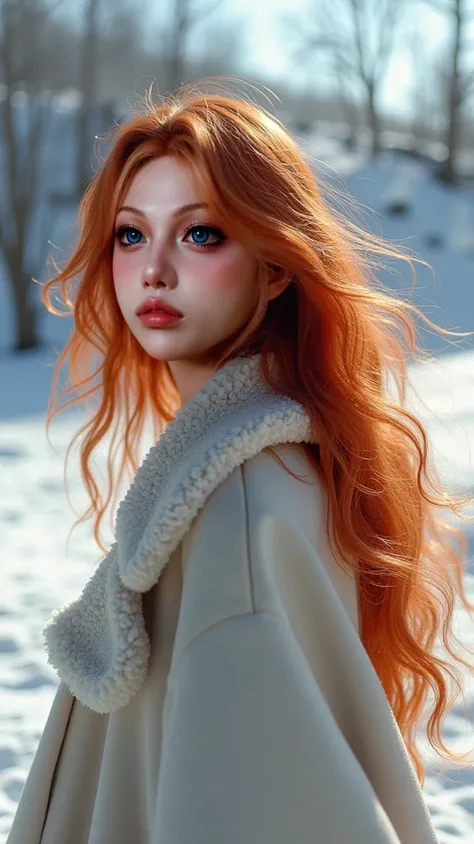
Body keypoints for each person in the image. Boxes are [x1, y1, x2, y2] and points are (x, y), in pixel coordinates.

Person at [7, 80, 474, 844]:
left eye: (200, 235)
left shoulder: (240, 508)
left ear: (278, 265)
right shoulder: (265, 470)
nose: (154, 270)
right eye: (131, 235)